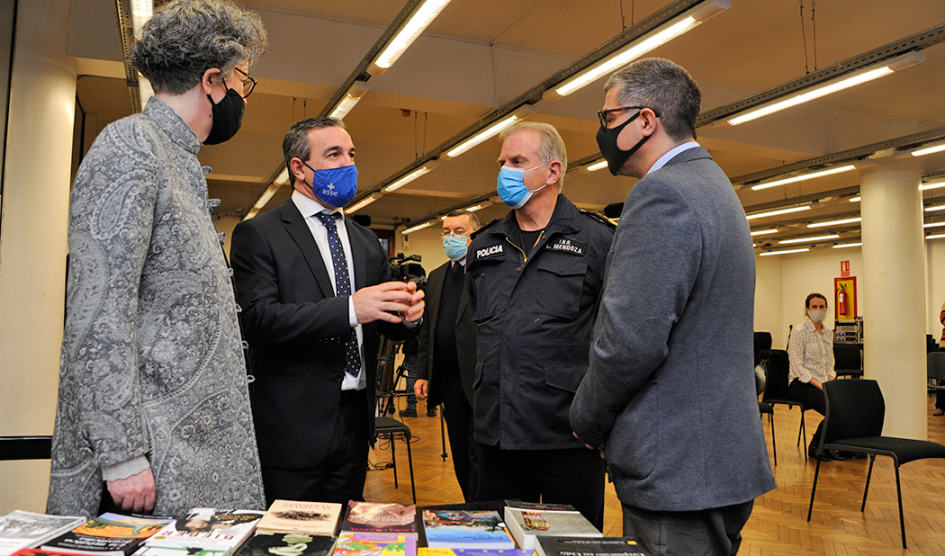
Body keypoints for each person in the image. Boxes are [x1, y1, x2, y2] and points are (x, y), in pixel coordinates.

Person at [46, 0, 268, 517]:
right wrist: (122, 455)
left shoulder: (179, 159)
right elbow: (97, 312)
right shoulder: (132, 145)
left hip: (188, 455)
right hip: (153, 457)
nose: (242, 95)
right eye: (242, 80)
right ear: (213, 79)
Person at [570, 58, 776, 556]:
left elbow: (629, 342)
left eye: (607, 118)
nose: (602, 131)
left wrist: (587, 419)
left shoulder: (662, 194)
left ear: (645, 120)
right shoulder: (715, 186)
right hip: (717, 457)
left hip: (675, 466)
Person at [230, 117, 425, 505]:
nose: (347, 163)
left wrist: (409, 317)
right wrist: (351, 308)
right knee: (290, 539)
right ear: (299, 168)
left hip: (355, 418)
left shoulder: (367, 242)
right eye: (333, 154)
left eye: (351, 154)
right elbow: (257, 319)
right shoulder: (260, 234)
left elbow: (385, 323)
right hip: (292, 424)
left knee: (341, 533)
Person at [465, 122, 614, 529]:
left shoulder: (596, 241)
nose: (504, 172)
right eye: (502, 163)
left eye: (517, 161)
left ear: (552, 171)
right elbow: (477, 333)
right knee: (500, 544)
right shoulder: (484, 247)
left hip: (568, 433)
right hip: (498, 433)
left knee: (574, 544)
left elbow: (615, 336)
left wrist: (603, 422)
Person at [414, 209, 481, 502]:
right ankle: (470, 504)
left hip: (480, 383)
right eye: (445, 231)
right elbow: (428, 329)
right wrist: (422, 373)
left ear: (473, 237)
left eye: (459, 231)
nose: (450, 237)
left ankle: (485, 508)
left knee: (479, 455)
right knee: (459, 455)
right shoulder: (437, 275)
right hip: (448, 382)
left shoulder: (485, 272)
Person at [788, 292, 842, 461]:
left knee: (846, 406)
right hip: (801, 383)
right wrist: (821, 386)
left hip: (825, 383)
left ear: (827, 309)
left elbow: (830, 362)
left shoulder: (828, 333)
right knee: (833, 408)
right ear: (807, 310)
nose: (818, 310)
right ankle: (816, 446)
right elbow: (797, 365)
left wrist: (830, 381)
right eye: (814, 307)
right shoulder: (799, 332)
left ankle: (830, 445)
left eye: (822, 307)